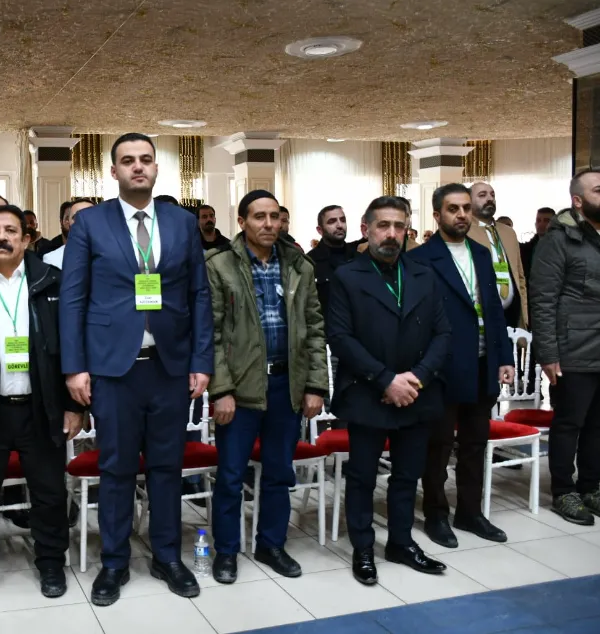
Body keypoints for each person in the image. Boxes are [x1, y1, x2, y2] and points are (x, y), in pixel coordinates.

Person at [60, 133, 213, 606]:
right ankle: (114, 563)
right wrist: (74, 368)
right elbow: (73, 298)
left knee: (168, 467)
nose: (138, 167)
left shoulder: (181, 222)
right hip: (113, 370)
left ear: (156, 167)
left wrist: (201, 361)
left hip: (170, 366)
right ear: (114, 171)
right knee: (117, 468)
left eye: (146, 159)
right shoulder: (91, 223)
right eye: (128, 161)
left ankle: (167, 557)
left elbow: (199, 295)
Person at [0, 205, 83, 603]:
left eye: (10, 230)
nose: (1, 238)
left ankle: (51, 563)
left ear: (26, 239)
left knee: (49, 493)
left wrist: (73, 406)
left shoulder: (53, 282)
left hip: (42, 409)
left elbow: (72, 347)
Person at [327, 195, 450, 586]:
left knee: (407, 475)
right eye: (384, 225)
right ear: (366, 230)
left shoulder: (423, 274)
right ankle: (363, 546)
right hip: (368, 392)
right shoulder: (347, 276)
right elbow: (340, 337)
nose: (392, 234)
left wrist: (416, 379)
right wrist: (385, 380)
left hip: (416, 391)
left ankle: (401, 542)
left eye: (400, 226)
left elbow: (443, 333)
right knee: (362, 477)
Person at [205, 189, 328, 583]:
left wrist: (315, 384)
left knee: (279, 472)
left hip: (286, 385)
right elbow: (211, 335)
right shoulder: (219, 265)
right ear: (242, 222)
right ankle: (227, 551)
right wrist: (221, 390)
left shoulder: (299, 265)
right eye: (259, 217)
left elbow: (314, 329)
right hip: (239, 390)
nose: (269, 224)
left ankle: (271, 544)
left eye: (275, 216)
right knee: (230, 476)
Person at [409, 184, 513, 548]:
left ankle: (470, 512)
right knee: (438, 445)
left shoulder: (481, 254)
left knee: (475, 443)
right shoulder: (421, 258)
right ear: (437, 215)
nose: (462, 215)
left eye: (466, 208)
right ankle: (436, 514)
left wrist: (504, 357)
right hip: (443, 365)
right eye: (453, 209)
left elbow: (494, 309)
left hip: (483, 361)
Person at [530, 168, 600, 526]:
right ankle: (563, 490)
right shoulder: (558, 239)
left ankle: (590, 486)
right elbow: (543, 300)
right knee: (569, 422)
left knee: (597, 424)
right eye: (598, 190)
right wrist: (548, 354)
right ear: (578, 200)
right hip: (573, 347)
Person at [468, 182, 528, 330]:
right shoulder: (464, 232)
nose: (489, 198)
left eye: (492, 195)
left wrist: (524, 316)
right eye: (482, 195)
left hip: (511, 315)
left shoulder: (508, 232)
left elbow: (520, 277)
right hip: (479, 316)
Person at [306, 205, 357, 317]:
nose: (339, 225)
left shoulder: (358, 258)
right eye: (332, 221)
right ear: (320, 230)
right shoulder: (309, 262)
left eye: (343, 220)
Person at [42, 199, 94, 270]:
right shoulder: (52, 259)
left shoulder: (109, 253)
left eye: (89, 216)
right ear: (68, 222)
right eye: (77, 217)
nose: (83, 221)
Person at [520, 207, 556, 282]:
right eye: (538, 220)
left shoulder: (563, 248)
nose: (541, 224)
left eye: (546, 220)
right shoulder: (525, 250)